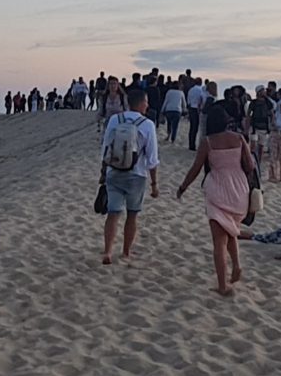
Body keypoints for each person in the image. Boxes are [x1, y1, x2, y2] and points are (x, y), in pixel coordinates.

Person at [176, 102, 259, 296]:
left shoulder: (208, 142)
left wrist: (183, 187)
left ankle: (223, 285)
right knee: (230, 230)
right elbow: (250, 165)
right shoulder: (239, 138)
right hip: (239, 190)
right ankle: (236, 266)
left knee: (219, 242)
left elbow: (196, 168)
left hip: (218, 191)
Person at [99, 91, 158, 265]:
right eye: (146, 102)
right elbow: (152, 158)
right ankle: (125, 252)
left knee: (113, 213)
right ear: (141, 103)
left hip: (114, 171)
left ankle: (108, 251)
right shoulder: (147, 125)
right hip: (136, 175)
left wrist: (103, 172)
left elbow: (105, 148)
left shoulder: (115, 120)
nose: (147, 105)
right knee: (132, 215)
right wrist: (154, 184)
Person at [184, 77, 211, 149]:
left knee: (192, 127)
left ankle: (191, 145)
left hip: (191, 108)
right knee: (201, 129)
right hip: (198, 109)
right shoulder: (201, 90)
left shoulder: (191, 90)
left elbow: (188, 101)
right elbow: (202, 100)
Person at [160, 79, 186, 145]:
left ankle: (168, 135)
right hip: (177, 110)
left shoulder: (169, 92)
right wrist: (184, 110)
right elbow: (184, 103)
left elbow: (166, 101)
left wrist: (162, 110)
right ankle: (173, 139)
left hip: (169, 110)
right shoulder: (181, 92)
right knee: (175, 126)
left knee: (169, 123)